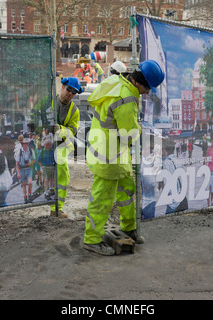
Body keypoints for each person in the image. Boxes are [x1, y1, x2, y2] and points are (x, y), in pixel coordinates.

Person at [83, 60, 165, 255]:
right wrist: (140, 127)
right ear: (139, 82)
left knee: (127, 189)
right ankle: (92, 239)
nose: (147, 92)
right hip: (108, 156)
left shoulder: (116, 82)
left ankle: (128, 227)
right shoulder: (127, 98)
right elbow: (129, 133)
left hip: (112, 151)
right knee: (103, 198)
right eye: (147, 88)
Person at [50, 77, 83, 218]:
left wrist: (60, 130)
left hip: (61, 144)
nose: (70, 93)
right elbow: (33, 116)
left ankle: (56, 208)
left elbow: (73, 130)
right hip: (43, 142)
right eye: (69, 89)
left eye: (74, 92)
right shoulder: (49, 101)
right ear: (62, 87)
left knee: (62, 173)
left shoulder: (74, 110)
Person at [0, 136, 16, 207]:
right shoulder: (8, 154)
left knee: (0, 195)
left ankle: (3, 205)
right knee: (5, 189)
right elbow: (12, 165)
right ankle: (3, 204)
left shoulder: (1, 155)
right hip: (7, 175)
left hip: (2, 175)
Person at [16, 138, 35, 204]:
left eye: (26, 143)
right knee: (24, 184)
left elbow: (34, 159)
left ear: (28, 144)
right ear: (22, 144)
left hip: (28, 168)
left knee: (30, 182)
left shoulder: (30, 150)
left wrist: (31, 163)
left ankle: (30, 194)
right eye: (24, 143)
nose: (25, 145)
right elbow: (17, 163)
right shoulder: (19, 152)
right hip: (22, 169)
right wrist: (18, 173)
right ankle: (25, 197)